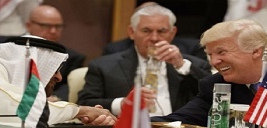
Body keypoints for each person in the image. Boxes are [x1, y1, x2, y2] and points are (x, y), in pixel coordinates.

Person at [151, 19, 267, 127]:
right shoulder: (214, 86)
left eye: (221, 52)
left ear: (256, 51)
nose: (214, 62)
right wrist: (132, 123)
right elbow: (176, 121)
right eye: (210, 55)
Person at [77, 4, 212, 117]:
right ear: (131, 32)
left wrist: (181, 65)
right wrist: (123, 103)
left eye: (162, 31)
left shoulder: (193, 65)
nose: (154, 38)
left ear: (173, 32)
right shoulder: (103, 66)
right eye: (146, 31)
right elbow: (84, 104)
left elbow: (212, 96)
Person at [0, 35, 116, 128]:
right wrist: (80, 111)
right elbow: (21, 111)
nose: (59, 77)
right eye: (55, 68)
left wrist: (85, 123)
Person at [0, 5, 86, 101]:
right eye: (45, 26)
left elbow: (68, 86)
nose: (53, 31)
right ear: (28, 25)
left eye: (58, 27)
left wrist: (54, 98)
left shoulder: (71, 57)